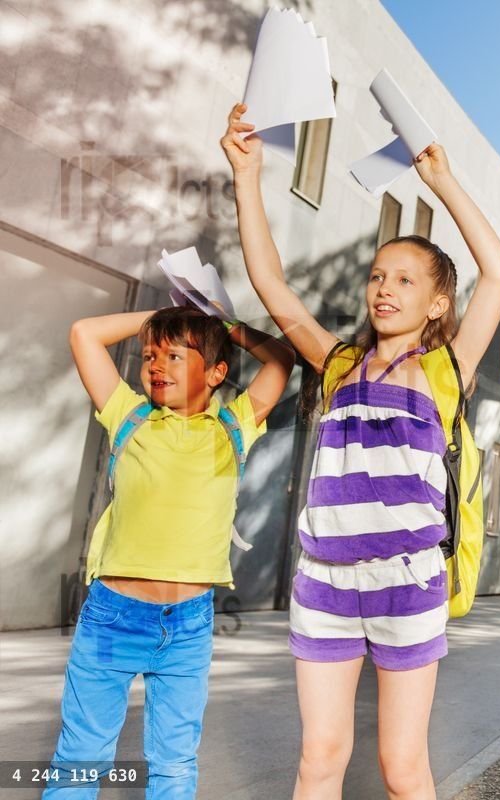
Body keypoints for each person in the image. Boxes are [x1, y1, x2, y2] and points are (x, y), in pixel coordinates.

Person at [220, 103, 500, 800]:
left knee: (401, 767)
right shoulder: (338, 363)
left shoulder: (445, 371)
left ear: (439, 303)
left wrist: (442, 181)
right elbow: (272, 285)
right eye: (379, 276)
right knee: (319, 758)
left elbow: (496, 278)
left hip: (407, 583)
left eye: (406, 279)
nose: (385, 287)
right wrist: (247, 174)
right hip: (323, 582)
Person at [46, 305, 294, 799]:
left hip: (188, 625)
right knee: (82, 755)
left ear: (217, 372)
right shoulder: (128, 415)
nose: (156, 365)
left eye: (175, 355)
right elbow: (83, 331)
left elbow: (281, 359)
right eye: (148, 355)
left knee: (174, 763)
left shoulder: (234, 426)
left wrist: (219, 324)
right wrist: (164, 314)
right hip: (113, 618)